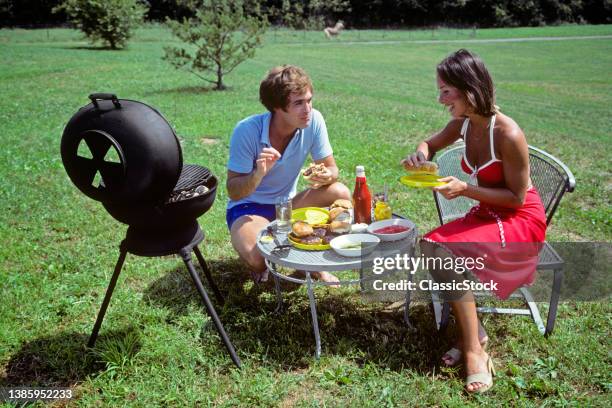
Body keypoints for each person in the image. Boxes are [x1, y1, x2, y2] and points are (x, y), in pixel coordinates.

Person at [401, 49, 547, 393]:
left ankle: (473, 351)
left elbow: (517, 197)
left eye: (446, 92)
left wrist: (465, 189)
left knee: (443, 252)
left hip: (519, 218)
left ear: (469, 89)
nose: (440, 100)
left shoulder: (508, 133)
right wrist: (421, 156)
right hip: (489, 210)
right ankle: (475, 332)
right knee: (432, 246)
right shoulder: (464, 123)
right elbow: (430, 143)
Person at [226, 65, 351, 284]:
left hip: (288, 205)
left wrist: (326, 177)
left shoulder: (314, 121)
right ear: (277, 107)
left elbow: (332, 169)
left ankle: (315, 261)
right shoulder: (246, 131)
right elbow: (234, 191)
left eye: (309, 100)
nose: (308, 109)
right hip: (249, 208)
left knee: (340, 191)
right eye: (298, 103)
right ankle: (257, 254)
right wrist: (258, 174)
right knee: (258, 258)